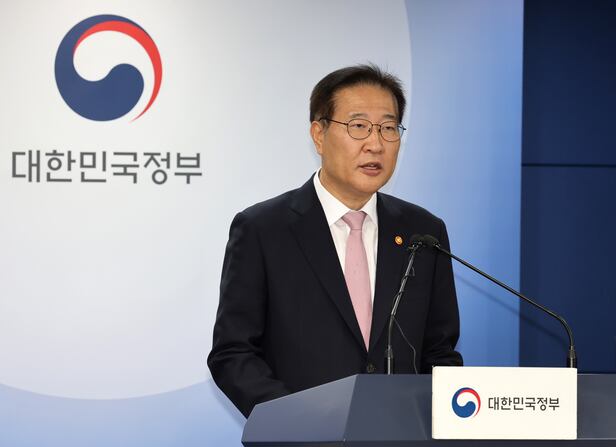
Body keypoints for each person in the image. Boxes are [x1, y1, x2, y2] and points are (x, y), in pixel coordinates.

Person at [207, 64, 462, 418]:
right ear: (319, 134)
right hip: (299, 435)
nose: (375, 144)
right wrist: (295, 419)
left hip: (398, 434)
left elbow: (439, 353)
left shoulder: (424, 233)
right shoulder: (263, 229)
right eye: (358, 126)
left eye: (388, 128)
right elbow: (233, 354)